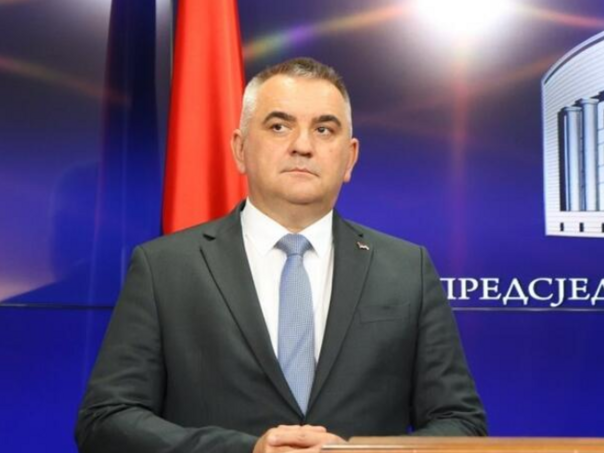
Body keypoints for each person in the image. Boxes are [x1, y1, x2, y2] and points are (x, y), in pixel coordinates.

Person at [75, 57, 487, 453]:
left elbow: (462, 423)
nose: (302, 146)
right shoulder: (164, 268)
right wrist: (246, 450)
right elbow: (106, 421)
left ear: (350, 157)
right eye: (279, 126)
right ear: (240, 149)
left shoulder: (407, 270)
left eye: (324, 129)